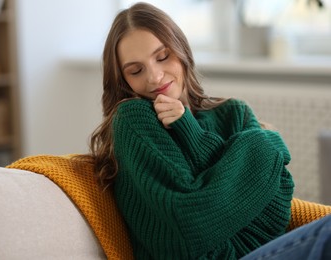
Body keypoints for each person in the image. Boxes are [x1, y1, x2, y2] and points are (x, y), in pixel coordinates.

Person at [83, 2, 331, 259]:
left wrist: (189, 131)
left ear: (182, 50)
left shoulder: (234, 113)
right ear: (123, 80)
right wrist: (260, 145)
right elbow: (185, 226)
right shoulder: (134, 120)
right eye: (136, 70)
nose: (155, 77)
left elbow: (278, 211)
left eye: (163, 56)